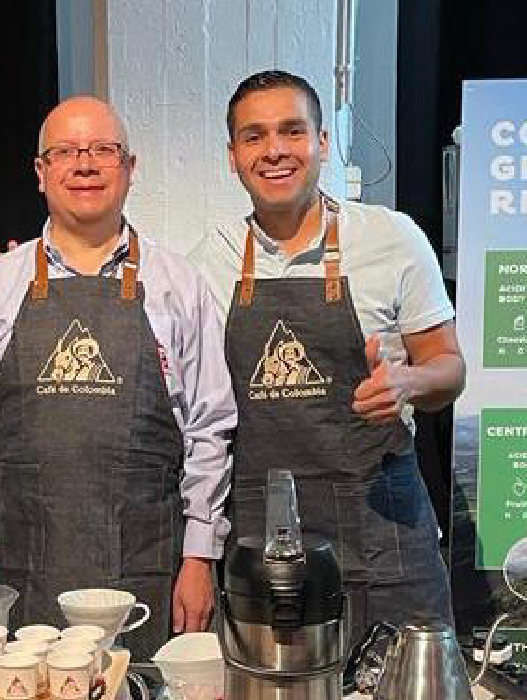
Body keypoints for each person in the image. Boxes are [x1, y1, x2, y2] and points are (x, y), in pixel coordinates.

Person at [0, 96, 236, 657]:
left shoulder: (181, 286)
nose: (86, 164)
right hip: (20, 571)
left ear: (129, 168)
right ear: (41, 172)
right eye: (66, 151)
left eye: (103, 150)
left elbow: (209, 430)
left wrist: (200, 557)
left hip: (150, 571)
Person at [191, 70, 465, 634]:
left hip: (383, 526)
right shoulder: (208, 263)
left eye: (292, 131)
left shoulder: (392, 238)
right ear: (232, 155)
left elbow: (450, 366)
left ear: (321, 142)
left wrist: (409, 383)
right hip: (263, 543)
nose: (274, 151)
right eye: (254, 136)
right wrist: (14, 271)